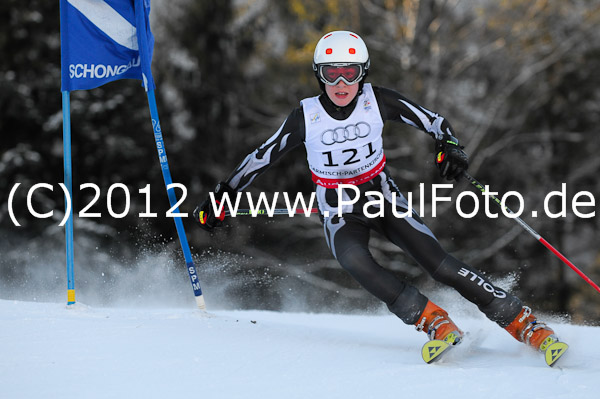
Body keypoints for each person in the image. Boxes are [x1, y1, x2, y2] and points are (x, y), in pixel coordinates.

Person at [193, 31, 567, 364]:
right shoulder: (305, 116)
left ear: (364, 73)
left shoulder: (378, 100)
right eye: (331, 72)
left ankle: (525, 323)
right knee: (355, 261)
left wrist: (450, 146)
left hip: (381, 194)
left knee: (439, 264)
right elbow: (263, 156)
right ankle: (433, 321)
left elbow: (435, 122)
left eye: (350, 72)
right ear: (318, 75)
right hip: (339, 207)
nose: (341, 82)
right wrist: (224, 194)